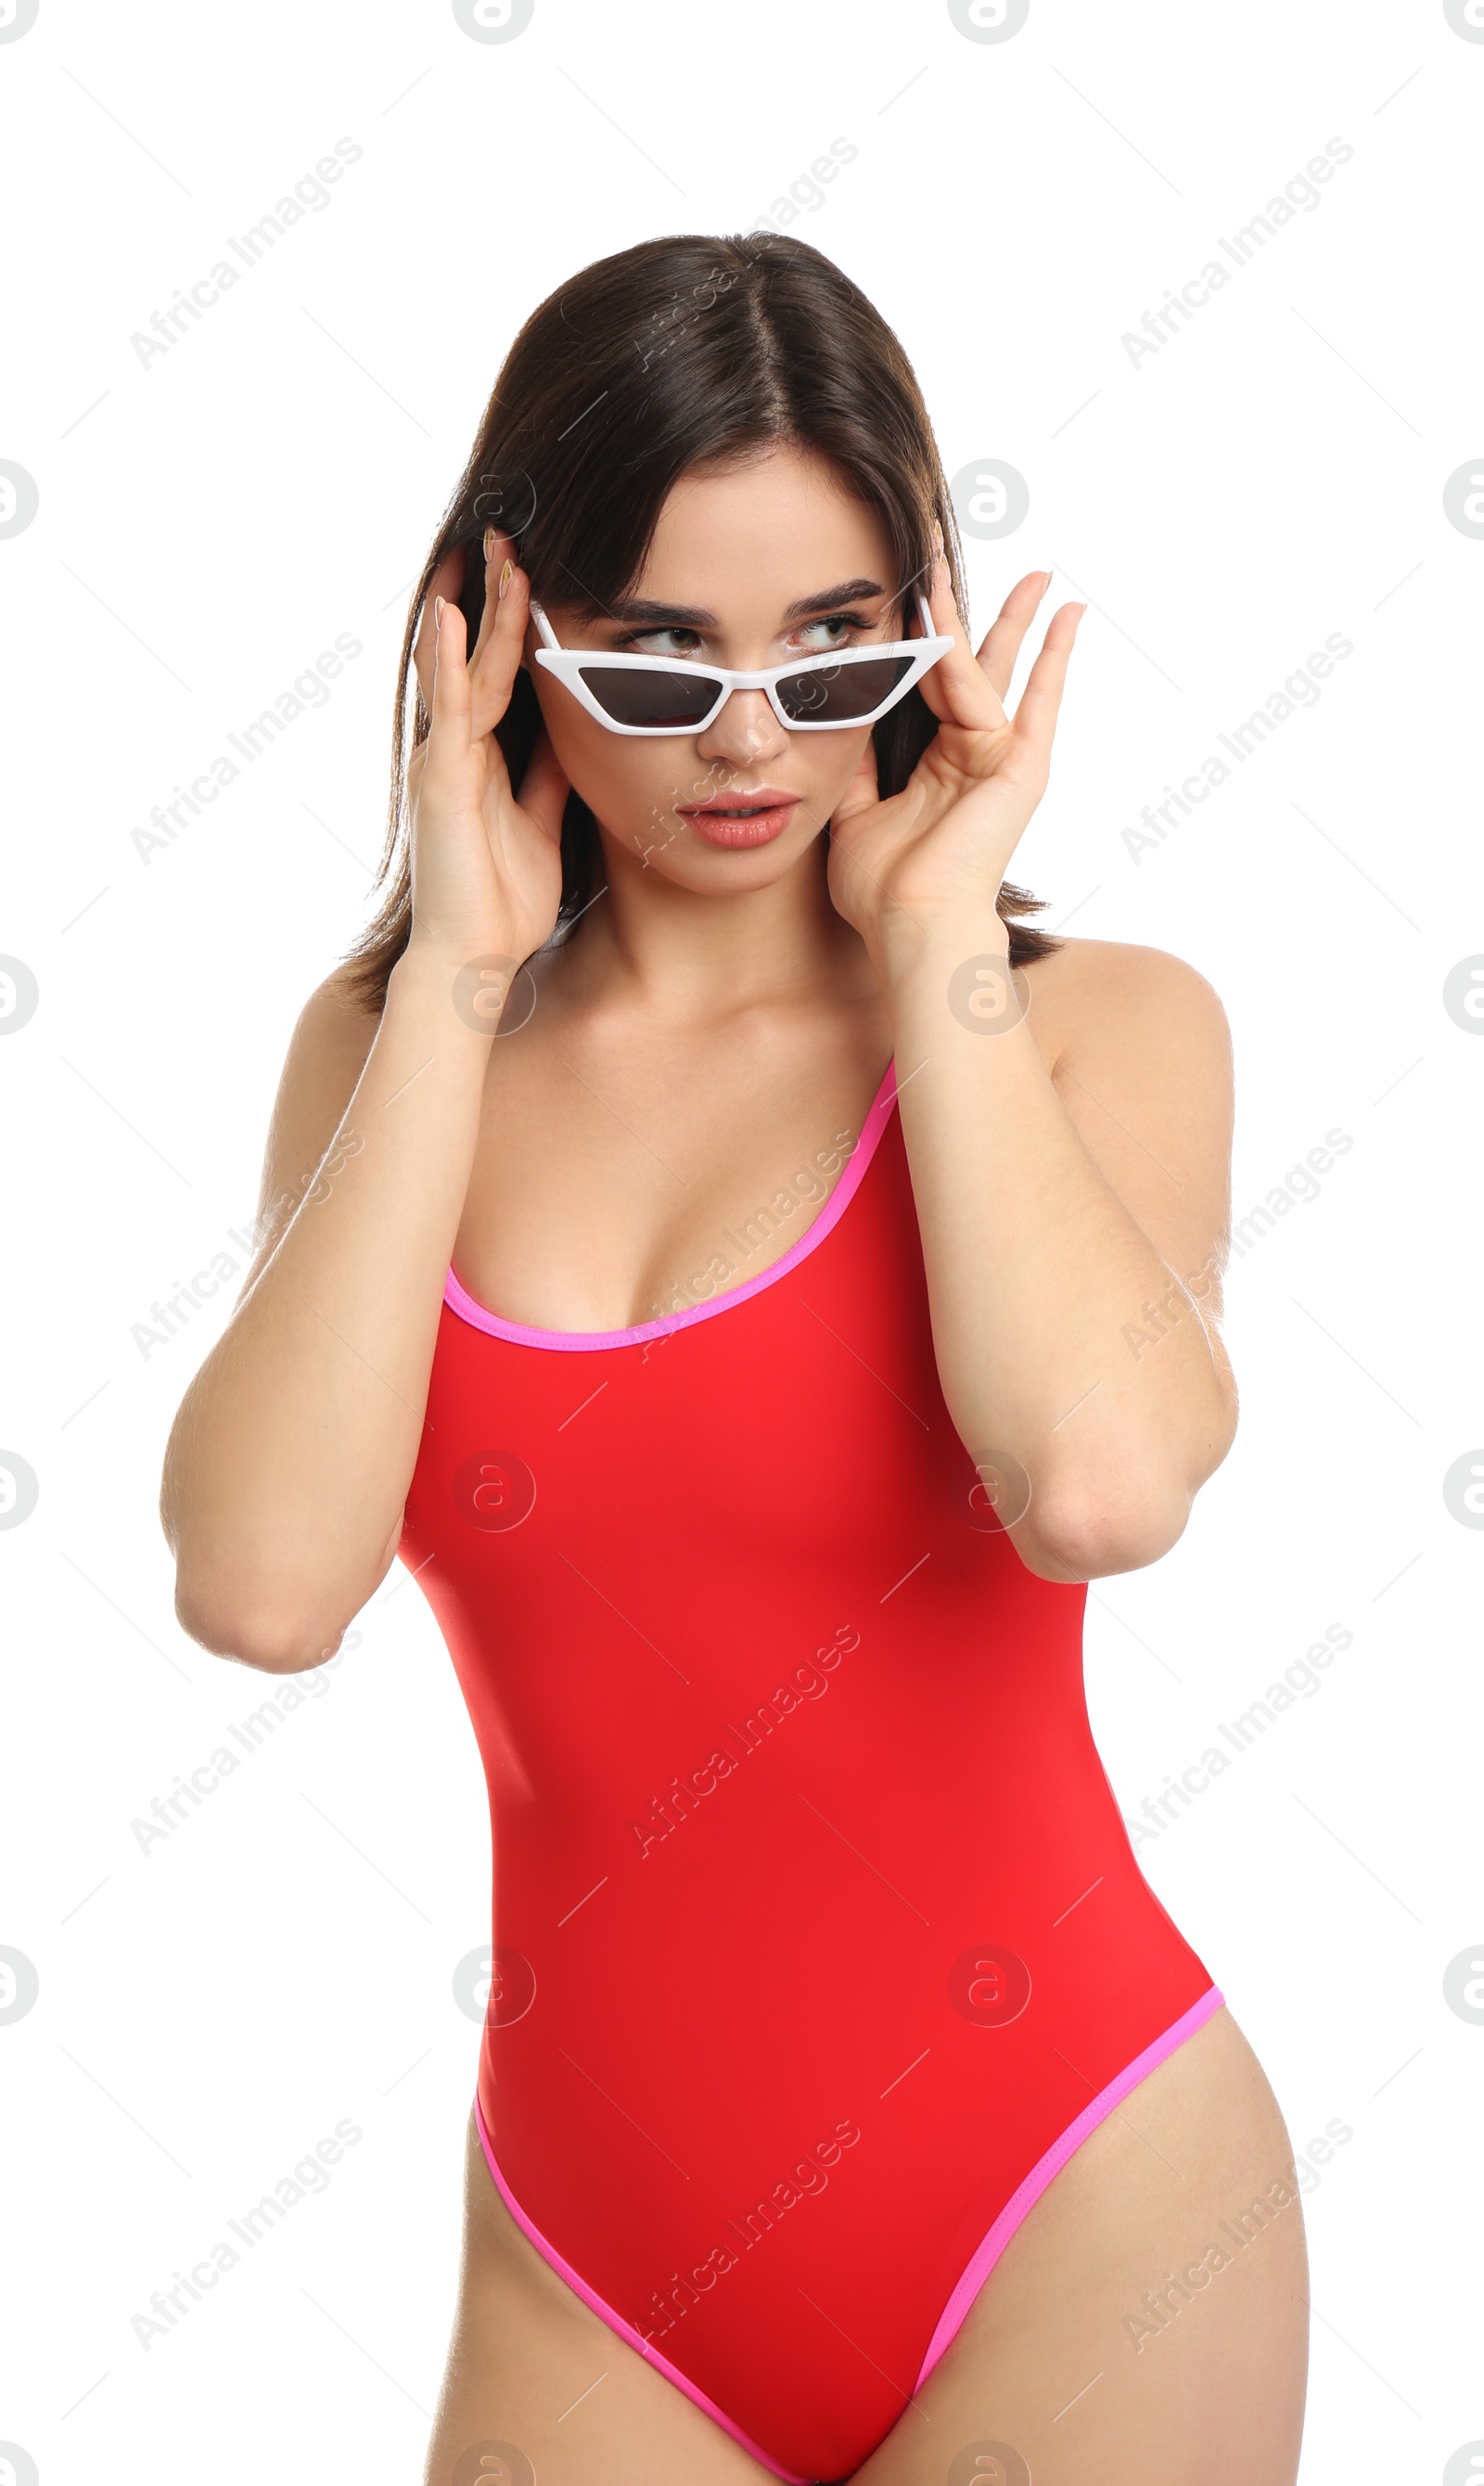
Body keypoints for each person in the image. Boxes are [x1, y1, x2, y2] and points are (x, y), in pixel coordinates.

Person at [160, 234, 1309, 2486]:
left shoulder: (1091, 1025)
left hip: (1073, 2199)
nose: (758, 743)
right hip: (589, 2258)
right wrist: (461, 973)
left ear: (928, 636)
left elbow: (1095, 1484)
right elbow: (259, 1587)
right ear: (500, 631)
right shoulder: (393, 1051)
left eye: (835, 646)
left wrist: (938, 937)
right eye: (662, 665)